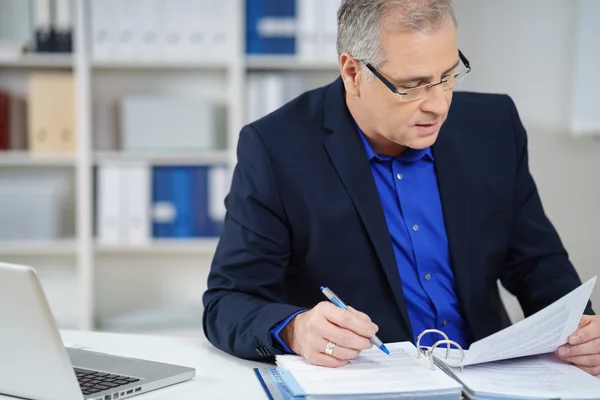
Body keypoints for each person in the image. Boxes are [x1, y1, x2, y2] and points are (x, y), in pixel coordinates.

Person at [202, 0, 599, 375]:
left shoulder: (494, 126)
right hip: (369, 381)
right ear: (353, 72)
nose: (439, 104)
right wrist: (296, 329)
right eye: (414, 85)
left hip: (489, 377)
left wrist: (582, 330)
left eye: (447, 76)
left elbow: (537, 263)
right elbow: (227, 302)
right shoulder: (276, 149)